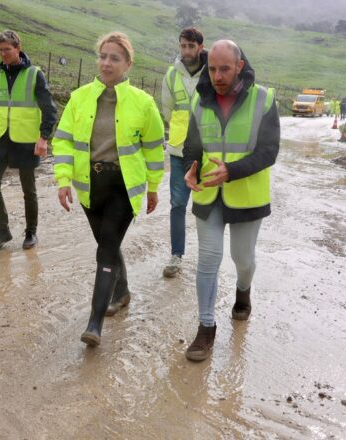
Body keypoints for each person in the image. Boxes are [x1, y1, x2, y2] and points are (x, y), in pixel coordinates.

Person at [53, 32, 165, 346]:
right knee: (108, 243)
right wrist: (63, 179)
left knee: (105, 249)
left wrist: (153, 187)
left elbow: (154, 149)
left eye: (114, 58)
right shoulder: (79, 98)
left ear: (128, 64)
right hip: (90, 185)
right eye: (103, 56)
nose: (106, 63)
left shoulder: (143, 103)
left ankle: (95, 323)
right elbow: (63, 141)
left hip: (123, 187)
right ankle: (122, 291)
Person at [182, 40, 280, 362]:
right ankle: (206, 328)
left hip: (247, 195)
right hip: (209, 192)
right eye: (212, 69)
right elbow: (192, 145)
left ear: (239, 66)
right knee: (208, 259)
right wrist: (190, 168)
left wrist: (232, 171)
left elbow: (269, 152)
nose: (217, 76)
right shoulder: (200, 98)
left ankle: (243, 291)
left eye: (224, 69)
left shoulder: (263, 100)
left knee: (243, 258)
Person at [0, 30, 57, 251]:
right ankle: (3, 230)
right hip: (0, 138)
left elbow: (49, 109)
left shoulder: (34, 74)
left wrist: (44, 137)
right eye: (0, 50)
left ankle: (31, 231)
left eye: (7, 49)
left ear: (18, 48)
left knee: (28, 189)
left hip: (25, 139)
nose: (3, 54)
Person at [161, 27, 207, 279]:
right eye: (183, 46)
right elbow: (167, 110)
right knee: (178, 204)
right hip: (179, 151)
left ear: (200, 46)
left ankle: (208, 256)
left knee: (207, 206)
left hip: (207, 151)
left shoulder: (211, 71)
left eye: (191, 46)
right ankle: (176, 256)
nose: (186, 50)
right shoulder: (171, 75)